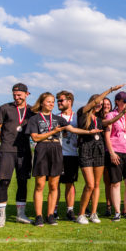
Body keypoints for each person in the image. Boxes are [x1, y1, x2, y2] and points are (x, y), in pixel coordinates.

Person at [25, 92, 101, 226]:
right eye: (48, 101)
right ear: (42, 103)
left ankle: (50, 216)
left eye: (52, 102)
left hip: (56, 151)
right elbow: (35, 138)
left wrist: (89, 132)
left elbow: (72, 129)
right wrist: (53, 132)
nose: (51, 104)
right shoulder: (35, 119)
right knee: (40, 185)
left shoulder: (58, 119)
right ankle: (38, 216)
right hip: (42, 150)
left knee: (54, 186)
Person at [75, 84, 125, 224]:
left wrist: (122, 113)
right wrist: (110, 90)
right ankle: (81, 214)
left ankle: (93, 213)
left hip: (99, 150)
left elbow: (109, 121)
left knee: (97, 184)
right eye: (98, 103)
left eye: (101, 104)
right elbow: (95, 102)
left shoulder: (98, 119)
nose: (99, 105)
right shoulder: (83, 112)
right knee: (89, 184)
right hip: (86, 149)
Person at [0, 83, 34, 227]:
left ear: (27, 94)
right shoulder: (4, 108)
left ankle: (20, 215)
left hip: (24, 152)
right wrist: (5, 143)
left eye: (19, 95)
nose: (16, 97)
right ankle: (1, 217)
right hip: (7, 151)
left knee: (22, 182)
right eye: (14, 95)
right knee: (4, 182)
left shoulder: (32, 111)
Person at [104, 91, 126, 222]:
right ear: (117, 102)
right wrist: (111, 152)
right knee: (115, 183)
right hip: (116, 151)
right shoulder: (111, 115)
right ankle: (117, 212)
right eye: (124, 101)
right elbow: (107, 135)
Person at [55, 91, 80, 221]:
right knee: (55, 184)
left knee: (70, 183)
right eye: (57, 100)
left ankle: (70, 210)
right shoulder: (55, 117)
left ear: (69, 101)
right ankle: (54, 210)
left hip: (72, 154)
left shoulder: (77, 117)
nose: (58, 102)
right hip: (57, 154)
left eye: (61, 100)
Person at [99, 97, 113, 216]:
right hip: (97, 151)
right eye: (104, 104)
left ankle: (109, 206)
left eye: (108, 104)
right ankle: (89, 205)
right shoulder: (97, 118)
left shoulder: (114, 117)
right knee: (95, 181)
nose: (106, 106)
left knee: (109, 181)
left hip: (110, 151)